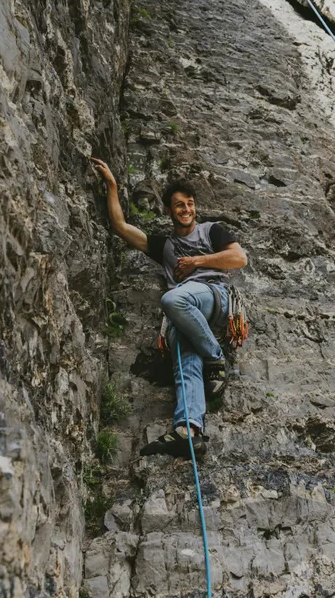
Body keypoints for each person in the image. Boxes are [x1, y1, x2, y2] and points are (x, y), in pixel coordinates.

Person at [91, 158, 247, 458]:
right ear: (168, 211)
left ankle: (215, 359)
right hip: (187, 319)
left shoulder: (211, 231)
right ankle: (188, 430)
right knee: (185, 361)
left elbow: (239, 258)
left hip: (213, 298)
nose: (186, 209)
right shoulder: (164, 245)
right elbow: (121, 226)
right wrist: (112, 185)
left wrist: (197, 262)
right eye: (179, 205)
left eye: (190, 204)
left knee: (174, 299)